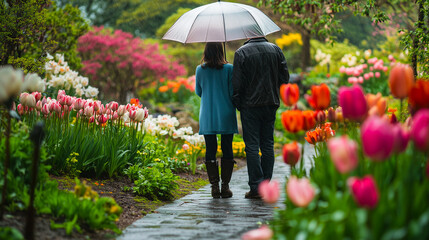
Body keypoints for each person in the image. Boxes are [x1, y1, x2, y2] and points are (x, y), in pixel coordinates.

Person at [232, 37, 289, 199]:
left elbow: (237, 84)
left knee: (251, 145)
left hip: (249, 106)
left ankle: (256, 187)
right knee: (267, 144)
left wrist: (238, 103)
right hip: (270, 103)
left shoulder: (241, 53)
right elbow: (285, 78)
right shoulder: (276, 50)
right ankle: (266, 185)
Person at [195, 42, 238, 199]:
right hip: (226, 112)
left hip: (208, 113)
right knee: (227, 147)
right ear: (221, 51)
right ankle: (225, 187)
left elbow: (198, 91)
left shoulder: (200, 69)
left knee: (210, 148)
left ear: (206, 52)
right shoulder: (229, 69)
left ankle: (214, 187)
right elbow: (233, 91)